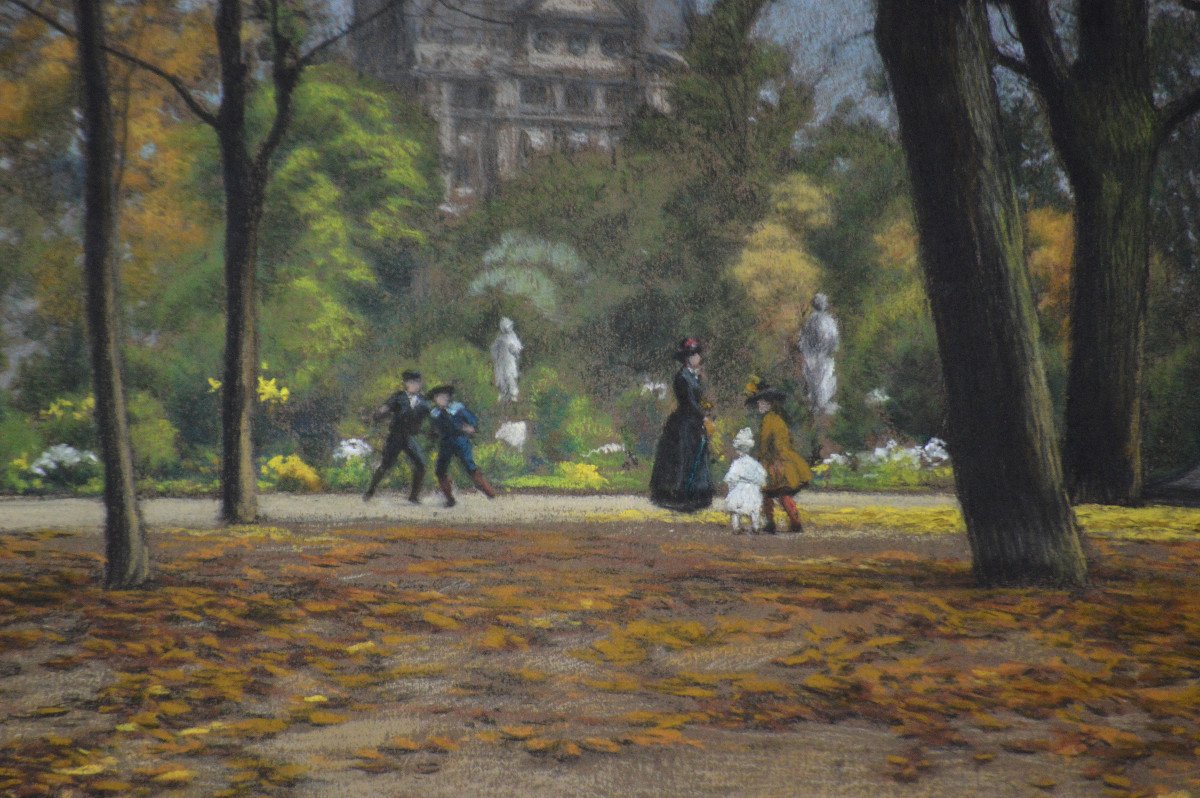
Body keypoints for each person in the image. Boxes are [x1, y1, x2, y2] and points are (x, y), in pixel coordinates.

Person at [649, 338, 714, 512]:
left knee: (697, 455)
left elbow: (698, 400)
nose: (696, 357)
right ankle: (679, 495)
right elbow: (689, 402)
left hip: (695, 421)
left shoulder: (695, 376)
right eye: (693, 355)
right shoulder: (682, 377)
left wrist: (706, 410)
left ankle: (697, 494)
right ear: (686, 358)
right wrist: (703, 416)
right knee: (683, 455)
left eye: (697, 354)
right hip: (684, 422)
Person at [745, 379, 812, 533]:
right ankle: (793, 522)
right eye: (759, 403)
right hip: (784, 459)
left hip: (775, 462)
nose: (759, 406)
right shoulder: (778, 419)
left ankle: (775, 523)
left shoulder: (769, 420)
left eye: (761, 403)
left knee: (770, 493)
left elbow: (764, 442)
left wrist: (760, 460)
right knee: (780, 494)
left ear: (769, 404)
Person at [364, 370, 430, 504]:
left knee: (421, 465)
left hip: (409, 438)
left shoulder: (423, 402)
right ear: (406, 384)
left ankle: (413, 496)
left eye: (417, 382)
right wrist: (379, 413)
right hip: (395, 437)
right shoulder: (399, 397)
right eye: (412, 382)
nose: (415, 385)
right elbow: (386, 408)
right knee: (385, 465)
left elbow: (431, 416)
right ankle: (370, 491)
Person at [428, 385, 497, 507]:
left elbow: (472, 420)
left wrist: (471, 428)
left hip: (460, 440)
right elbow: (434, 430)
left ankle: (489, 492)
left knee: (470, 466)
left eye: (444, 397)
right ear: (435, 399)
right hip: (445, 443)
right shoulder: (435, 413)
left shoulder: (458, 408)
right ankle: (449, 498)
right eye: (438, 397)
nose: (442, 399)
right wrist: (433, 434)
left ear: (449, 397)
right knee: (440, 470)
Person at [724, 427, 768, 533]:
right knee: (754, 508)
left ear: (739, 450)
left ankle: (736, 527)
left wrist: (732, 485)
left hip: (739, 489)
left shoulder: (737, 463)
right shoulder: (754, 463)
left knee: (736, 509)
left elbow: (731, 477)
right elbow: (762, 475)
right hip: (752, 489)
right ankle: (756, 526)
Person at [490, 317, 523, 403]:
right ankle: (503, 394)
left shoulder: (513, 337)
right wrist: (495, 357)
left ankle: (513, 394)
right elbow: (493, 348)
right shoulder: (500, 338)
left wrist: (515, 350)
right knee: (501, 378)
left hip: (510, 361)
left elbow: (518, 347)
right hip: (501, 362)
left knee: (510, 376)